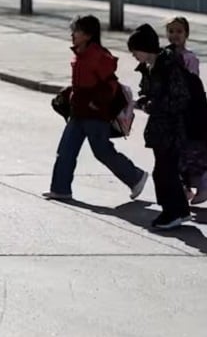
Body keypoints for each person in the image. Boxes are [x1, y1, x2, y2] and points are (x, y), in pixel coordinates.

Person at [46, 14, 148, 201]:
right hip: (78, 113)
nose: (72, 34)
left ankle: (136, 177)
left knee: (102, 152)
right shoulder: (80, 55)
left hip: (95, 115)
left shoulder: (99, 56)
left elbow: (110, 85)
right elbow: (83, 83)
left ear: (88, 34)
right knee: (66, 150)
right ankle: (60, 189)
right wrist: (69, 93)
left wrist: (96, 103)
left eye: (76, 30)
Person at [128, 24, 193, 229]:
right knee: (168, 170)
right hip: (161, 128)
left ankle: (170, 213)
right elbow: (152, 93)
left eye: (135, 51)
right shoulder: (152, 67)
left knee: (163, 172)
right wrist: (145, 99)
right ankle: (181, 211)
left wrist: (153, 105)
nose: (133, 56)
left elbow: (180, 98)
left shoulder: (167, 65)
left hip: (172, 129)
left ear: (144, 48)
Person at [165, 16, 207, 205]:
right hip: (173, 111)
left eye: (178, 31)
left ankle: (203, 185)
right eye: (171, 31)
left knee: (190, 151)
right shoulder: (166, 56)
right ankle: (184, 188)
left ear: (186, 34)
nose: (174, 35)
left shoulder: (190, 59)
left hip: (187, 111)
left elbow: (192, 86)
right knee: (176, 152)